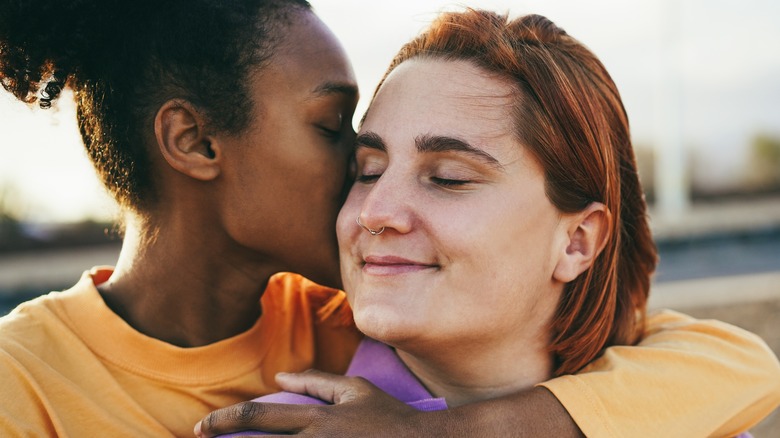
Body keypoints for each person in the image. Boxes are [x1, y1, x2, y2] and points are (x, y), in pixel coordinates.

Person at [0, 1, 777, 437]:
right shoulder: (21, 380)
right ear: (196, 141)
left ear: (580, 239)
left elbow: (735, 366)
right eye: (351, 146)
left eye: (443, 177)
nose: (369, 202)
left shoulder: (355, 320)